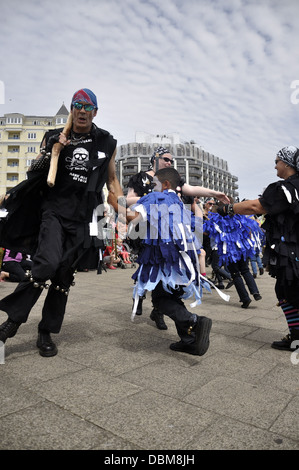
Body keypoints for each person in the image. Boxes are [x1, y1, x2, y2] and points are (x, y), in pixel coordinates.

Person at [0, 88, 123, 357]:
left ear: (95, 112)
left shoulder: (106, 142)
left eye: (87, 106)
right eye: (77, 105)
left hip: (84, 217)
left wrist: (123, 210)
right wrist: (53, 150)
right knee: (47, 263)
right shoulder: (55, 135)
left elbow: (112, 181)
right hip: (54, 211)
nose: (82, 110)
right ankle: (11, 323)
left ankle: (46, 331)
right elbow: (34, 171)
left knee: (63, 276)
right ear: (72, 109)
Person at [126, 146, 230, 327]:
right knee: (147, 265)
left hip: (170, 233)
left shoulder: (174, 180)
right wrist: (153, 197)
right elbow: (126, 200)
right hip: (148, 230)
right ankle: (141, 296)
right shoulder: (141, 178)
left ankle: (159, 310)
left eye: (171, 160)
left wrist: (214, 193)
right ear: (154, 159)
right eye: (166, 159)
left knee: (168, 272)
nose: (169, 162)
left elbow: (192, 189)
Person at [217, 146, 299, 351]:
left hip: (292, 252)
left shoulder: (285, 189)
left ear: (287, 164)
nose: (275, 165)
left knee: (288, 290)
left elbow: (256, 207)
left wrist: (228, 208)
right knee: (287, 290)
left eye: (278, 160)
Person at [130, 167, 212, 356]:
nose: (152, 187)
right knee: (172, 297)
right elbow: (196, 220)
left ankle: (194, 321)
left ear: (166, 184)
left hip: (163, 259)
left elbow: (134, 216)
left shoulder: (156, 199)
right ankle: (189, 340)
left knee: (160, 298)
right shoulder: (179, 202)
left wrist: (116, 202)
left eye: (155, 183)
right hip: (180, 260)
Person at [204, 204, 262, 308]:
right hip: (242, 249)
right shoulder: (240, 216)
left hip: (229, 252)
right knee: (245, 270)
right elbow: (249, 230)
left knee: (235, 275)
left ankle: (245, 299)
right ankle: (255, 292)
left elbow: (206, 232)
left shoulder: (217, 220)